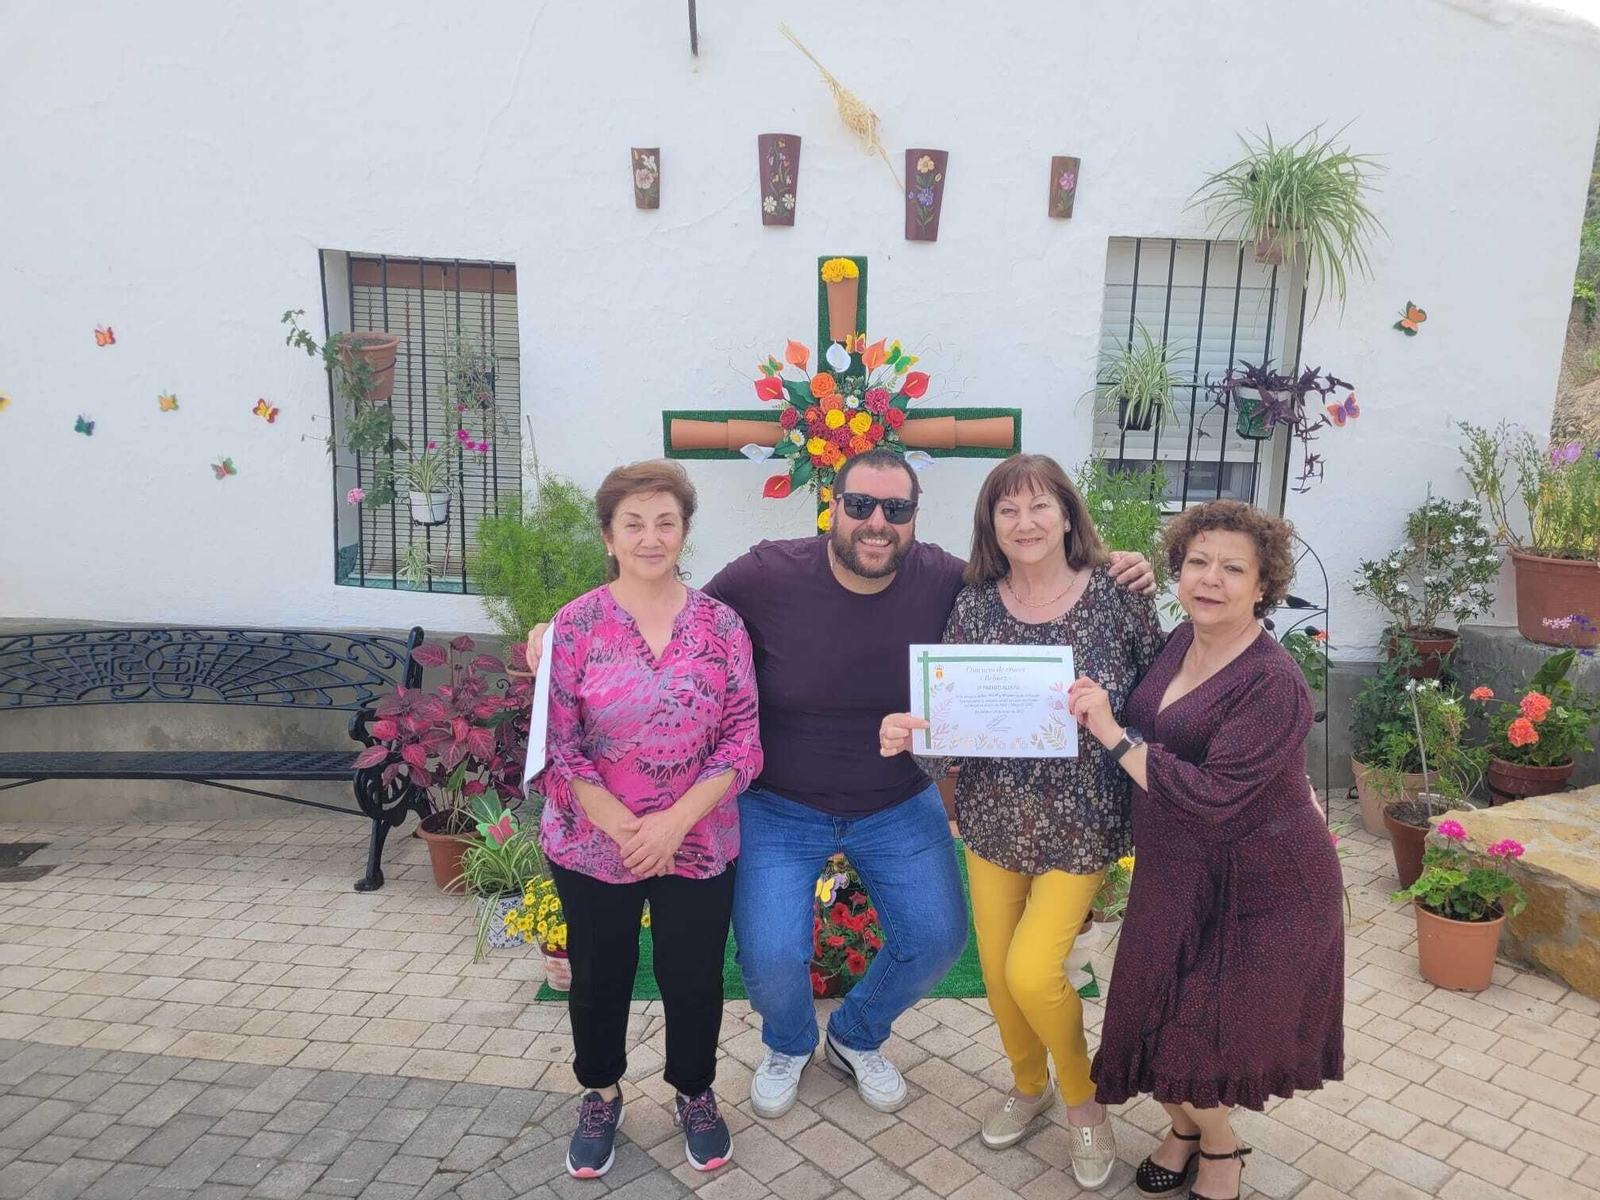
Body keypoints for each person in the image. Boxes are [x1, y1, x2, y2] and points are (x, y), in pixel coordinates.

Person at [530, 448, 1155, 1120]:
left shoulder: (946, 578)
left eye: (897, 508)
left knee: (939, 937)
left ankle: (856, 1036)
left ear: (916, 517)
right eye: (860, 505)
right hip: (780, 803)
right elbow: (672, 612)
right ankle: (790, 1041)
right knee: (769, 956)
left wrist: (1113, 561)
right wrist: (555, 628)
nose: (877, 522)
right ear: (833, 507)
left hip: (896, 799)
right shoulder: (767, 572)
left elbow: (1034, 570)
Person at [878, 454, 1163, 1191]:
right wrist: (917, 737)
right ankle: (1029, 1084)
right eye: (1008, 511)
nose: (1025, 522)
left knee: (1034, 973)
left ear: (1068, 514)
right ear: (991, 526)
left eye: (1040, 507)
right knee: (1001, 984)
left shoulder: (1117, 595)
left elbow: (1163, 693)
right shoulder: (976, 604)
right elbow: (955, 715)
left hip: (1083, 817)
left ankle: (1085, 1107)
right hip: (994, 815)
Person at [1066, 500, 1344, 1200]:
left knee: (1201, 1036)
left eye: (1232, 568)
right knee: (1145, 1014)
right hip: (1178, 873)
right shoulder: (1177, 644)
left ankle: (1221, 1148)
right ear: (1178, 572)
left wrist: (1112, 733)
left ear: (1262, 586)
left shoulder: (1274, 680)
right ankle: (1185, 1129)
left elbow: (1216, 793)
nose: (1210, 579)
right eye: (1197, 563)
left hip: (1265, 884)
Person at [530, 460, 762, 1180]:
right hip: (594, 844)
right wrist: (628, 828)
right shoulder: (575, 625)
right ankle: (600, 1092)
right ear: (609, 536)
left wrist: (674, 824)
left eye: (666, 521)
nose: (650, 536)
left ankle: (694, 1092)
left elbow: (743, 741)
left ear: (684, 532)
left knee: (693, 976)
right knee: (600, 976)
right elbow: (558, 748)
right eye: (634, 523)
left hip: (698, 841)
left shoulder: (722, 626)